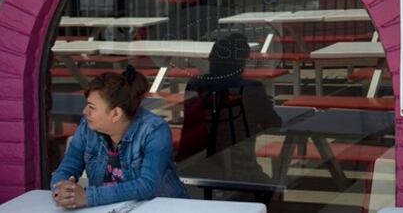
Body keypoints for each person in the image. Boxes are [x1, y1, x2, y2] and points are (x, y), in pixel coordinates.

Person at [50, 66, 187, 208]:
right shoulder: (87, 127)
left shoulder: (154, 130)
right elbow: (66, 169)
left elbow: (148, 185)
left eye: (91, 107)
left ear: (115, 114)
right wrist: (61, 191)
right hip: (108, 209)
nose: (85, 111)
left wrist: (88, 197)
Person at [177, 33, 281, 179]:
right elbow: (274, 124)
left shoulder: (195, 86)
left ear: (211, 60)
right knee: (275, 186)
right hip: (240, 174)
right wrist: (261, 106)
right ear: (241, 64)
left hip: (197, 169)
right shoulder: (251, 90)